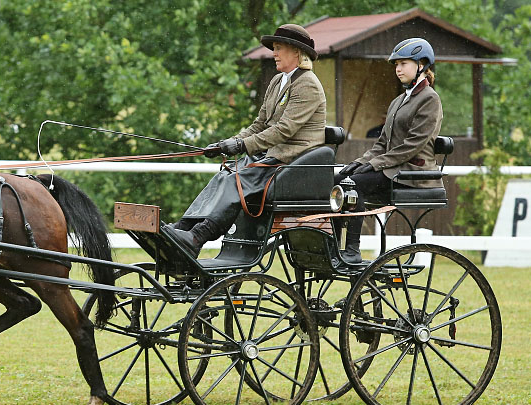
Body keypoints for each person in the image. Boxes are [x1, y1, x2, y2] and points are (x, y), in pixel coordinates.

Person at [163, 23, 327, 256]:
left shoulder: (307, 84)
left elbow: (283, 131)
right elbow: (259, 124)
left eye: (279, 48)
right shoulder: (277, 82)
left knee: (236, 181)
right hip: (271, 157)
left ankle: (198, 236)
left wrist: (241, 145)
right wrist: (228, 143)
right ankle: (184, 228)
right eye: (274, 48)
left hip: (292, 161)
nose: (274, 53)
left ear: (297, 52)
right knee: (224, 175)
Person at [335, 38, 443, 264]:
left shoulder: (430, 99)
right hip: (394, 169)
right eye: (396, 64)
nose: (398, 69)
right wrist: (358, 162)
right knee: (340, 179)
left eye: (403, 63)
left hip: (413, 173)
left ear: (421, 64)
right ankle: (334, 245)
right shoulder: (398, 101)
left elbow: (413, 145)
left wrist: (375, 164)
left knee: (354, 185)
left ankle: (352, 250)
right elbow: (382, 143)